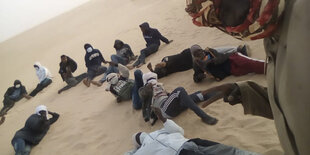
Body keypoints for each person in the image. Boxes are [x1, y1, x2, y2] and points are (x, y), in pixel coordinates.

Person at [186, 0, 310, 154]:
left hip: (233, 60)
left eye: (225, 10)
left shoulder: (303, 16)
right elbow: (293, 106)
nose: (229, 27)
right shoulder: (271, 34)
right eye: (218, 21)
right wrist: (245, 93)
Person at [125, 108, 258, 155]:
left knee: (226, 151)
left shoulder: (158, 133)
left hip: (189, 143)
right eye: (138, 137)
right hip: (184, 149)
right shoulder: (142, 150)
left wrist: (164, 120)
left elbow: (179, 131)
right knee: (225, 151)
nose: (141, 135)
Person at [141, 72, 218, 125]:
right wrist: (147, 88)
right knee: (179, 90)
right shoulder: (146, 91)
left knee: (195, 95)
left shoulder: (159, 86)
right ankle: (203, 116)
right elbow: (143, 95)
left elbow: (168, 96)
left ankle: (216, 94)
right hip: (164, 110)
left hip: (171, 105)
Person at [148, 45, 249, 79]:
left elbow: (159, 72)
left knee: (215, 53)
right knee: (216, 52)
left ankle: (237, 50)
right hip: (190, 55)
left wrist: (153, 70)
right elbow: (164, 64)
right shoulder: (165, 62)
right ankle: (237, 50)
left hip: (190, 57)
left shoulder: (166, 69)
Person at [191, 45, 264, 82]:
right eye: (196, 54)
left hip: (231, 58)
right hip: (229, 70)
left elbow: (221, 57)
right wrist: (201, 76)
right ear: (194, 56)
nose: (199, 54)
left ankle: (267, 66)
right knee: (247, 69)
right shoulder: (197, 63)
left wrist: (209, 62)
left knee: (249, 63)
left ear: (202, 49)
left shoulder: (209, 51)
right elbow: (196, 77)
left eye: (199, 51)